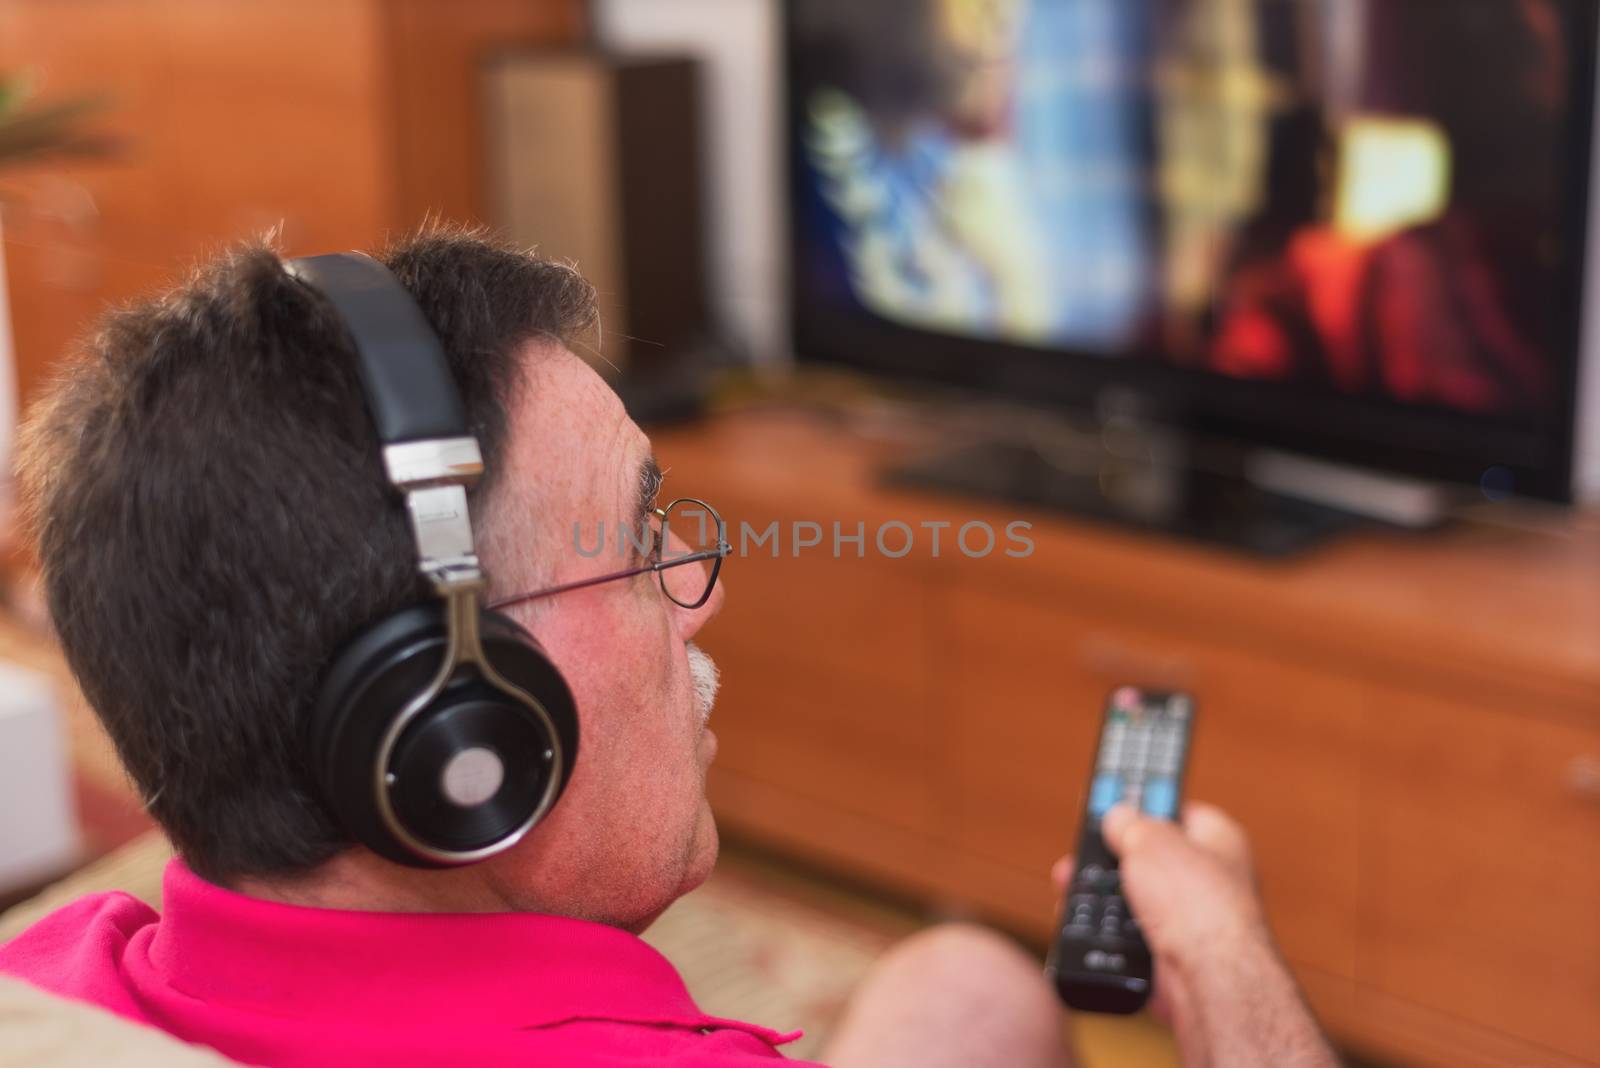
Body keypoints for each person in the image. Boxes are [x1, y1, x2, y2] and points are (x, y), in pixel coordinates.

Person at [0, 228, 1339, 1067]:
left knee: (964, 983)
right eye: (641, 544)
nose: (698, 597)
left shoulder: (49, 985)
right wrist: (1227, 970)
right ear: (458, 728)